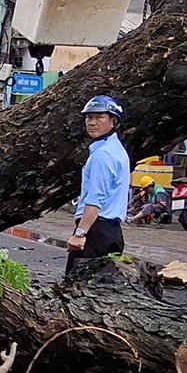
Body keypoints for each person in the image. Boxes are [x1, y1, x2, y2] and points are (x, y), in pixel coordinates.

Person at [67, 95, 130, 276]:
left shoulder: (103, 155)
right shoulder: (118, 151)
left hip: (96, 232)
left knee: (75, 291)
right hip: (112, 233)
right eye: (89, 117)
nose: (92, 122)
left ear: (113, 121)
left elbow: (95, 199)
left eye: (99, 117)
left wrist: (80, 234)